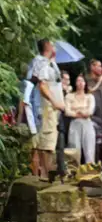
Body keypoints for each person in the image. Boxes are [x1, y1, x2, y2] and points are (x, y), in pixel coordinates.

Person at [30, 39, 65, 180]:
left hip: (48, 109)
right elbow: (43, 86)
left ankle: (45, 174)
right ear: (48, 46)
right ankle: (46, 175)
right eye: (53, 44)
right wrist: (55, 102)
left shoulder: (46, 62)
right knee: (47, 143)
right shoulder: (43, 63)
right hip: (47, 108)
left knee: (45, 142)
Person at [64, 74, 96, 165]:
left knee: (89, 148)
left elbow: (90, 111)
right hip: (74, 123)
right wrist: (80, 112)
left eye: (82, 81)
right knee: (74, 148)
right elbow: (67, 111)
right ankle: (74, 171)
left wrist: (77, 111)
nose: (80, 83)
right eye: (78, 81)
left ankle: (90, 171)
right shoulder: (69, 96)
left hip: (87, 123)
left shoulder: (90, 96)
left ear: (85, 83)